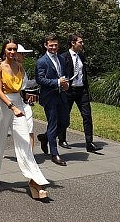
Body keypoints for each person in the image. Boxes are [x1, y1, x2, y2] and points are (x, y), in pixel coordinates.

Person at [0, 39, 50, 199]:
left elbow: (23, 87)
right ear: (4, 50)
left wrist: (26, 98)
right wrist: (12, 106)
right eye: (9, 49)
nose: (12, 52)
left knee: (24, 141)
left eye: (14, 49)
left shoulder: (20, 66)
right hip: (3, 106)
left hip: (18, 105)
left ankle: (34, 181)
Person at [59, 33, 102, 153]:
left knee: (87, 116)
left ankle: (89, 143)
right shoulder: (63, 57)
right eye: (80, 42)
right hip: (69, 90)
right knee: (65, 116)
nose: (82, 44)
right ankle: (62, 139)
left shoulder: (81, 56)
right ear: (73, 43)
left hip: (81, 90)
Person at [36, 33, 70, 166]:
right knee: (53, 123)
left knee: (65, 122)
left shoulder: (61, 59)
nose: (54, 47)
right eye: (51, 45)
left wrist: (66, 84)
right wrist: (57, 82)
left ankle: (45, 137)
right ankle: (54, 153)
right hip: (49, 97)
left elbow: (64, 75)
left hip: (62, 95)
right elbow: (40, 79)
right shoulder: (41, 61)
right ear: (46, 45)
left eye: (55, 45)